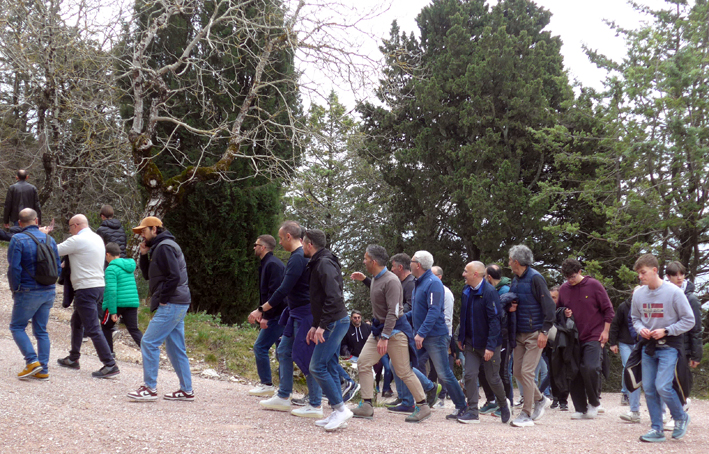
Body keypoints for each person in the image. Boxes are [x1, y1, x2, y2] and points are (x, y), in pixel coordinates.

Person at [352, 245, 432, 423]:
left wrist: (385, 337)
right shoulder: (376, 278)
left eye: (365, 259)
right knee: (363, 363)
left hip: (395, 332)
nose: (364, 261)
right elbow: (379, 290)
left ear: (373, 262)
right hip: (379, 329)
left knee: (403, 371)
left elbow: (393, 311)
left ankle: (423, 406)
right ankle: (366, 405)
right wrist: (364, 279)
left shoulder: (392, 281)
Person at [256, 221, 322, 417]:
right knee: (284, 350)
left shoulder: (298, 258)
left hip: (305, 314)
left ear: (288, 236)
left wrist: (261, 309)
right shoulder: (297, 257)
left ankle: (315, 404)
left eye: (280, 238)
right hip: (295, 313)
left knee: (306, 356)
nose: (279, 242)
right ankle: (283, 396)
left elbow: (283, 289)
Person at [127, 216, 193, 401]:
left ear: (154, 229)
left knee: (149, 342)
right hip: (178, 302)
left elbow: (174, 276)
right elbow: (148, 275)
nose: (141, 235)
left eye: (143, 231)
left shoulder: (164, 247)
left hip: (172, 302)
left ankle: (149, 388)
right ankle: (186, 390)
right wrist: (143, 254)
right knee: (175, 348)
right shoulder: (160, 247)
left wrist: (163, 299)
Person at [631, 254, 695, 442]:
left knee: (663, 386)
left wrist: (667, 330)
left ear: (654, 270)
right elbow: (635, 318)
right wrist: (641, 329)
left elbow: (689, 320)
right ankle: (657, 429)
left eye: (643, 272)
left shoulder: (674, 293)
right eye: (638, 273)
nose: (640, 277)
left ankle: (681, 417)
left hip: (669, 346)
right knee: (649, 388)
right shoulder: (638, 294)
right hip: (648, 347)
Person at [300, 229, 353, 431]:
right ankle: (337, 412)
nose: (302, 247)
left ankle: (341, 410)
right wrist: (315, 325)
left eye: (303, 243)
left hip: (335, 322)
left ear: (309, 244)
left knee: (317, 366)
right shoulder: (319, 262)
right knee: (330, 365)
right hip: (332, 321)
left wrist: (322, 326)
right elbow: (320, 299)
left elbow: (334, 297)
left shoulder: (323, 263)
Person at [56, 214, 119, 378]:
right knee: (77, 322)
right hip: (99, 286)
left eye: (70, 227)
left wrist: (43, 235)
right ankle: (73, 357)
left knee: (92, 328)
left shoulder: (77, 240)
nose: (70, 231)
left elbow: (53, 249)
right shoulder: (98, 239)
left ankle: (110, 364)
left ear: (76, 225)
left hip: (85, 288)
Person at [409, 251, 468, 421]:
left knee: (444, 373)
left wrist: (421, 333)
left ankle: (461, 406)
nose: (409, 263)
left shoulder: (433, 283)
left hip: (434, 336)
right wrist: (401, 318)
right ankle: (429, 388)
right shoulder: (418, 283)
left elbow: (434, 311)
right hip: (421, 335)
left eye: (412, 261)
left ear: (418, 265)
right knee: (405, 365)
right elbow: (418, 311)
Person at [557, 259, 615, 420]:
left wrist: (606, 331)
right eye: (567, 277)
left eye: (573, 276)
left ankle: (594, 403)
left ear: (580, 272)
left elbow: (608, 310)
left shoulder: (594, 285)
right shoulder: (564, 289)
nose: (570, 280)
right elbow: (558, 310)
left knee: (590, 367)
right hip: (573, 337)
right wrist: (564, 312)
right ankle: (580, 407)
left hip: (594, 334)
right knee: (574, 371)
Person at [8, 208, 60, 381]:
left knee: (17, 327)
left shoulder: (17, 239)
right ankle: (43, 369)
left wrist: (15, 288)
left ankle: (32, 361)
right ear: (36, 221)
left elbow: (14, 268)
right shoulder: (50, 239)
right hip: (48, 290)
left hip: (28, 290)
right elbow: (57, 266)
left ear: (19, 223)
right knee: (41, 330)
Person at [507, 245, 556, 427]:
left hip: (535, 333)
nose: (508, 263)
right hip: (519, 333)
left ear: (516, 262)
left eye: (510, 260)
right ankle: (540, 399)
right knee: (517, 372)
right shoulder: (516, 279)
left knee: (527, 372)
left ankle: (526, 413)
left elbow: (549, 307)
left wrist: (544, 331)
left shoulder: (536, 278)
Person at [457, 261, 511, 424]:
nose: (463, 274)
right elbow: (464, 317)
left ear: (475, 274)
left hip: (489, 344)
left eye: (466, 271)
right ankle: (473, 411)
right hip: (471, 343)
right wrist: (461, 338)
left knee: (492, 378)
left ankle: (503, 405)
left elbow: (495, 320)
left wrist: (490, 346)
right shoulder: (466, 291)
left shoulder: (489, 292)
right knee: (469, 375)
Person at [247, 234, 286, 397]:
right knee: (282, 352)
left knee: (260, 347)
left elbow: (275, 294)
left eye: (256, 245)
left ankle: (267, 385)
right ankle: (284, 390)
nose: (254, 248)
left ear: (263, 247)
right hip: (277, 314)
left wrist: (266, 316)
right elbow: (266, 293)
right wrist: (263, 313)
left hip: (279, 315)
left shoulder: (273, 265)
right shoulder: (267, 264)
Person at [101, 242, 143, 355]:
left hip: (118, 302)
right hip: (132, 302)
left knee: (105, 326)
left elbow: (112, 291)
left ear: (107, 254)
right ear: (119, 254)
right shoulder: (129, 267)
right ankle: (150, 353)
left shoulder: (111, 269)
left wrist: (113, 311)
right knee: (133, 329)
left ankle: (109, 353)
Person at [609, 288, 641, 422]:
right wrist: (613, 343)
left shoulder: (644, 306)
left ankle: (634, 397)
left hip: (639, 342)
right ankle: (625, 393)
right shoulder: (624, 307)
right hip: (625, 342)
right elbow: (615, 324)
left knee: (639, 370)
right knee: (627, 367)